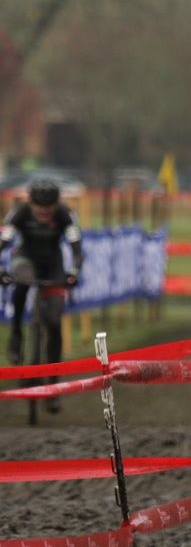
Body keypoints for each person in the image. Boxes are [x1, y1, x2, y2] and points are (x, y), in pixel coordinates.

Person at [0, 177, 83, 413]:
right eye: (40, 207)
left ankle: (53, 389)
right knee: (22, 277)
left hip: (53, 265)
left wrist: (74, 271)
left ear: (57, 204)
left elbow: (77, 248)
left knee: (55, 322)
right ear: (31, 203)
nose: (45, 212)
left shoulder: (66, 214)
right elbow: (4, 241)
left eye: (50, 208)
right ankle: (16, 333)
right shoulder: (19, 212)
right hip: (25, 259)